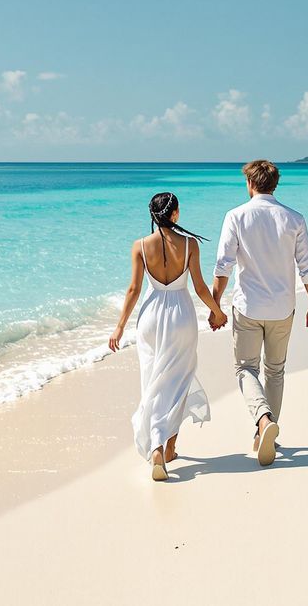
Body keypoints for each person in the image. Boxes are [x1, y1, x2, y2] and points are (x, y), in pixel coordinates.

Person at [210, 160, 308, 467]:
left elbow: (223, 266)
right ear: (275, 184)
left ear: (250, 184)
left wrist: (215, 304)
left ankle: (261, 419)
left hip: (247, 307)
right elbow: (307, 267)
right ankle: (265, 434)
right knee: (276, 370)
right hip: (283, 307)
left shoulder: (235, 216)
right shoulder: (294, 219)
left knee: (246, 368)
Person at [108, 192, 226, 481]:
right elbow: (199, 287)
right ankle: (167, 445)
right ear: (175, 214)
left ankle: (160, 447)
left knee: (153, 380)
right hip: (181, 316)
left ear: (152, 215)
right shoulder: (190, 245)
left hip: (150, 318)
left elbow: (134, 290)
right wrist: (217, 312)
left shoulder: (139, 246)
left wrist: (119, 327)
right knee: (178, 381)